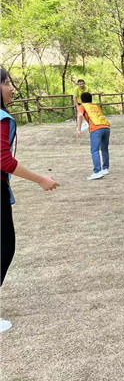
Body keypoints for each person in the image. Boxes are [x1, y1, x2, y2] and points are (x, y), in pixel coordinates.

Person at [1, 67, 58, 332]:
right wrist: (40, 179)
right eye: (7, 82)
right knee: (5, 247)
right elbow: (4, 160)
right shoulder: (1, 119)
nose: (12, 88)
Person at [77, 92, 110, 180]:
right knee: (104, 148)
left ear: (81, 100)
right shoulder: (96, 106)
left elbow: (80, 115)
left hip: (96, 128)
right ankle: (105, 168)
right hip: (106, 126)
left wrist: (79, 129)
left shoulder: (82, 106)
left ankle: (97, 171)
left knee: (94, 150)